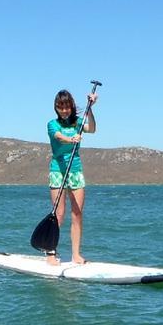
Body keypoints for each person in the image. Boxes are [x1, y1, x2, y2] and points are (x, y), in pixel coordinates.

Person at [46, 88, 98, 265]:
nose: (64, 110)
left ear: (71, 107)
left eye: (67, 107)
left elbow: (91, 128)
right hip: (58, 171)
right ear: (56, 108)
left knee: (77, 214)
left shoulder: (77, 123)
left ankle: (76, 255)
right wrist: (71, 140)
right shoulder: (52, 124)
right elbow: (58, 137)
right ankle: (51, 254)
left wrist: (90, 108)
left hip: (75, 171)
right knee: (58, 214)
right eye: (60, 107)